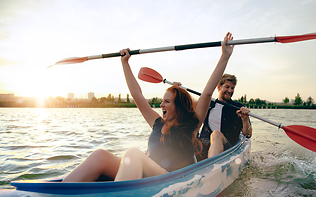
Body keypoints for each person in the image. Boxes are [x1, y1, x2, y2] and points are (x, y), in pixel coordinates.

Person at [62, 32, 235, 182]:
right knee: (100, 156)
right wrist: (125, 64)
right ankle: (54, 196)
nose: (161, 104)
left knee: (133, 155)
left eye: (167, 101)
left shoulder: (191, 125)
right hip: (145, 174)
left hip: (169, 180)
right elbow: (137, 95)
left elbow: (206, 93)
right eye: (162, 100)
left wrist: (224, 56)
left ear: (179, 107)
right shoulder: (157, 122)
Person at [196, 73, 252, 161]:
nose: (230, 90)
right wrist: (177, 89)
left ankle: (212, 167)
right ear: (219, 87)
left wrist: (245, 119)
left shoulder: (238, 108)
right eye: (227, 87)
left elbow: (247, 135)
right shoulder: (208, 104)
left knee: (216, 134)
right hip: (204, 146)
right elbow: (187, 106)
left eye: (232, 88)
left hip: (227, 149)